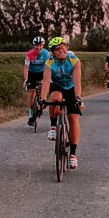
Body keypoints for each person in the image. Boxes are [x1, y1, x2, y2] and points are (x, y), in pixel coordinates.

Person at [40, 36, 82, 169]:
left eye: (63, 47)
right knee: (55, 98)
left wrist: (78, 97)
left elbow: (77, 81)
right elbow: (46, 82)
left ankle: (73, 155)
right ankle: (53, 127)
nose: (61, 50)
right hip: (57, 86)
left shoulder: (74, 60)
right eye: (57, 49)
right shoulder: (49, 62)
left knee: (73, 118)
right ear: (53, 52)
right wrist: (42, 98)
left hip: (71, 88)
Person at [23, 34, 51, 124]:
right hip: (32, 73)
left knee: (44, 87)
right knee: (31, 93)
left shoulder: (46, 54)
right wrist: (26, 79)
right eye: (36, 45)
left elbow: (49, 67)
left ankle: (43, 100)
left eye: (40, 45)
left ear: (43, 46)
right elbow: (26, 68)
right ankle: (31, 114)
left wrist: (47, 78)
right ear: (34, 45)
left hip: (42, 73)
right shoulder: (29, 54)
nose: (38, 48)